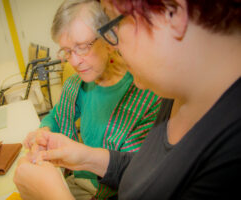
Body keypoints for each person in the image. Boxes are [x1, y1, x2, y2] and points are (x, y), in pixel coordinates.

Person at [14, 0, 241, 199]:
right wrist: (85, 157)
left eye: (115, 25)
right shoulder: (174, 95)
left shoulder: (231, 150)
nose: (114, 45)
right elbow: (148, 174)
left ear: (172, 11)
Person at [22, 0, 161, 199]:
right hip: (79, 183)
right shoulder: (76, 85)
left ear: (110, 38)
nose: (75, 61)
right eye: (67, 51)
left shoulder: (147, 95)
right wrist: (43, 131)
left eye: (82, 47)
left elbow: (138, 175)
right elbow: (57, 116)